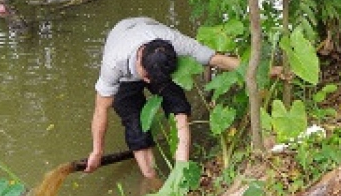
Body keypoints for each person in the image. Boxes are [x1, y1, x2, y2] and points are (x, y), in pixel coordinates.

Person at [87, 17, 240, 179]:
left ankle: (180, 173)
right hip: (124, 68)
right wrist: (97, 151)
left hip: (151, 39)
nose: (147, 81)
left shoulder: (175, 43)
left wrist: (262, 71)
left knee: (178, 107)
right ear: (139, 59)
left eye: (152, 79)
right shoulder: (114, 64)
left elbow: (217, 59)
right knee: (135, 124)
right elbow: (101, 109)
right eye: (146, 76)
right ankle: (152, 180)